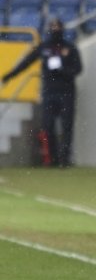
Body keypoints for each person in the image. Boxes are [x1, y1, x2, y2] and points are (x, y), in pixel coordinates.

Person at [1, 17, 82, 168]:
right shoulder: (44, 47)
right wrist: (9, 76)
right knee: (48, 126)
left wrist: (62, 70)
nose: (55, 30)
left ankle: (65, 160)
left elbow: (78, 69)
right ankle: (53, 159)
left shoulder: (70, 48)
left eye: (58, 26)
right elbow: (26, 62)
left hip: (66, 92)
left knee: (66, 127)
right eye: (53, 26)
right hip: (49, 92)